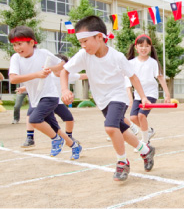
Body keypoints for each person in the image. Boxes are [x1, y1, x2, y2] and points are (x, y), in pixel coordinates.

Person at [60, 15, 155, 181]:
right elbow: (64, 70)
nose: (83, 46)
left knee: (110, 128)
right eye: (80, 42)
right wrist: (64, 89)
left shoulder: (116, 56)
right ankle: (146, 151)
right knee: (121, 130)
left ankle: (122, 162)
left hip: (118, 97)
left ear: (99, 37)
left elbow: (133, 77)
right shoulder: (84, 55)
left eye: (85, 41)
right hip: (101, 100)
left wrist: (144, 97)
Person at [8, 25, 82, 160]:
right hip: (35, 97)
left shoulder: (43, 53)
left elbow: (61, 64)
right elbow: (13, 79)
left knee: (34, 119)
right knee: (55, 127)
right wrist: (37, 74)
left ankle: (56, 140)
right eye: (14, 45)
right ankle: (74, 146)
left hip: (50, 96)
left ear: (31, 42)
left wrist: (50, 68)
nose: (17, 48)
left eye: (20, 44)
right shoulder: (16, 58)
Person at [20, 54, 87, 148]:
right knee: (31, 114)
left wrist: (95, 75)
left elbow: (81, 76)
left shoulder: (67, 75)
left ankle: (69, 137)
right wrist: (23, 88)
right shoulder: (48, 75)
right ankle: (30, 137)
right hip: (45, 100)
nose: (61, 70)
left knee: (69, 118)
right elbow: (36, 82)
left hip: (57, 101)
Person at [126, 34, 171, 145]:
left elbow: (160, 77)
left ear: (150, 48)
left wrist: (167, 94)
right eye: (141, 46)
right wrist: (130, 99)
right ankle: (149, 131)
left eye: (147, 46)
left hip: (151, 94)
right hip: (138, 95)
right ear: (136, 47)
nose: (144, 48)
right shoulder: (131, 63)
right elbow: (127, 83)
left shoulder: (153, 62)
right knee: (133, 117)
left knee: (141, 115)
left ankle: (145, 141)